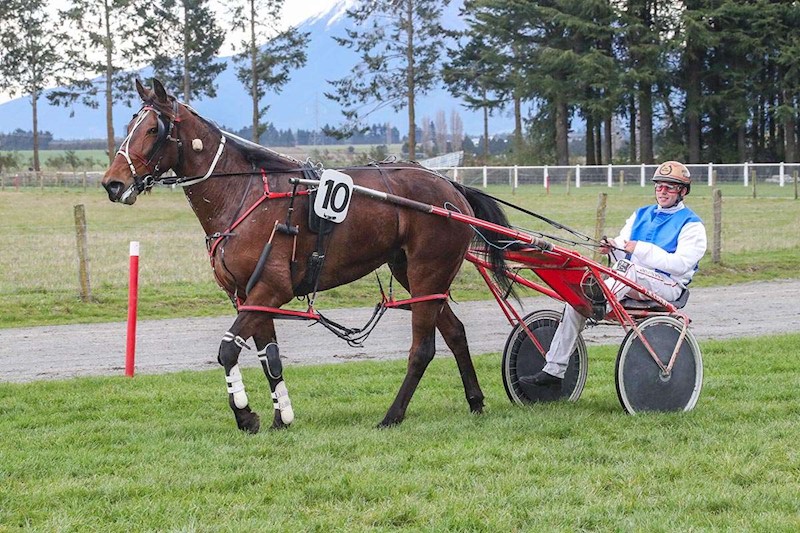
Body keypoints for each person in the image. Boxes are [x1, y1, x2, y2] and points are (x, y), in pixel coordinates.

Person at [523, 160, 708, 387]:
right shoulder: (640, 214)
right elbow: (623, 248)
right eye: (659, 186)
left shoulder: (692, 225)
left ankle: (600, 302)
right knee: (575, 302)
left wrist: (637, 248)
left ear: (683, 191)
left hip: (668, 287)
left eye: (669, 187)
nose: (662, 192)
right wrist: (612, 247)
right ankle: (553, 370)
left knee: (627, 271)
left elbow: (680, 264)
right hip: (631, 282)